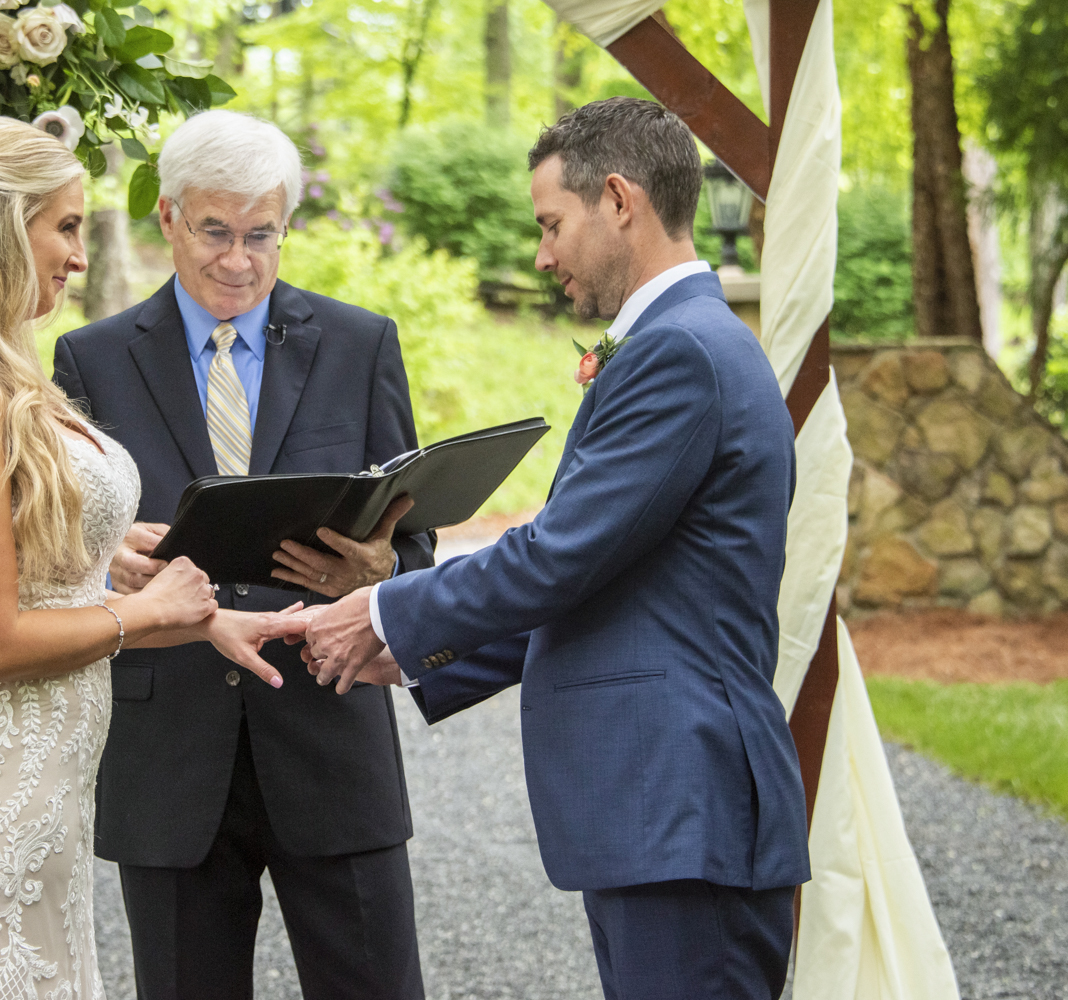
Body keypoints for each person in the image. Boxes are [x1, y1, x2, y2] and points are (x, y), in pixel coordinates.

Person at [301, 97, 812, 1000]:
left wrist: (387, 607)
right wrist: (420, 656)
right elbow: (614, 577)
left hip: (682, 800)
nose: (542, 256)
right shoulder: (680, 341)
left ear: (618, 198)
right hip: (660, 810)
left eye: (551, 225)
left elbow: (558, 554)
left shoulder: (680, 353)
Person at [0, 115, 306, 1000]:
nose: (76, 254)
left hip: (45, 786)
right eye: (63, 226)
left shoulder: (10, 379)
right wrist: (146, 609)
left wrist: (200, 617)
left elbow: (52, 594)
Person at [52, 110, 432, 1000]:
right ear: (170, 220)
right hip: (169, 753)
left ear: (286, 225)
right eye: (216, 232)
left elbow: (413, 539)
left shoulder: (361, 343)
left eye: (261, 234)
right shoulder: (91, 361)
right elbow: (63, 552)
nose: (238, 260)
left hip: (332, 737)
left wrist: (380, 570)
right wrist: (110, 567)